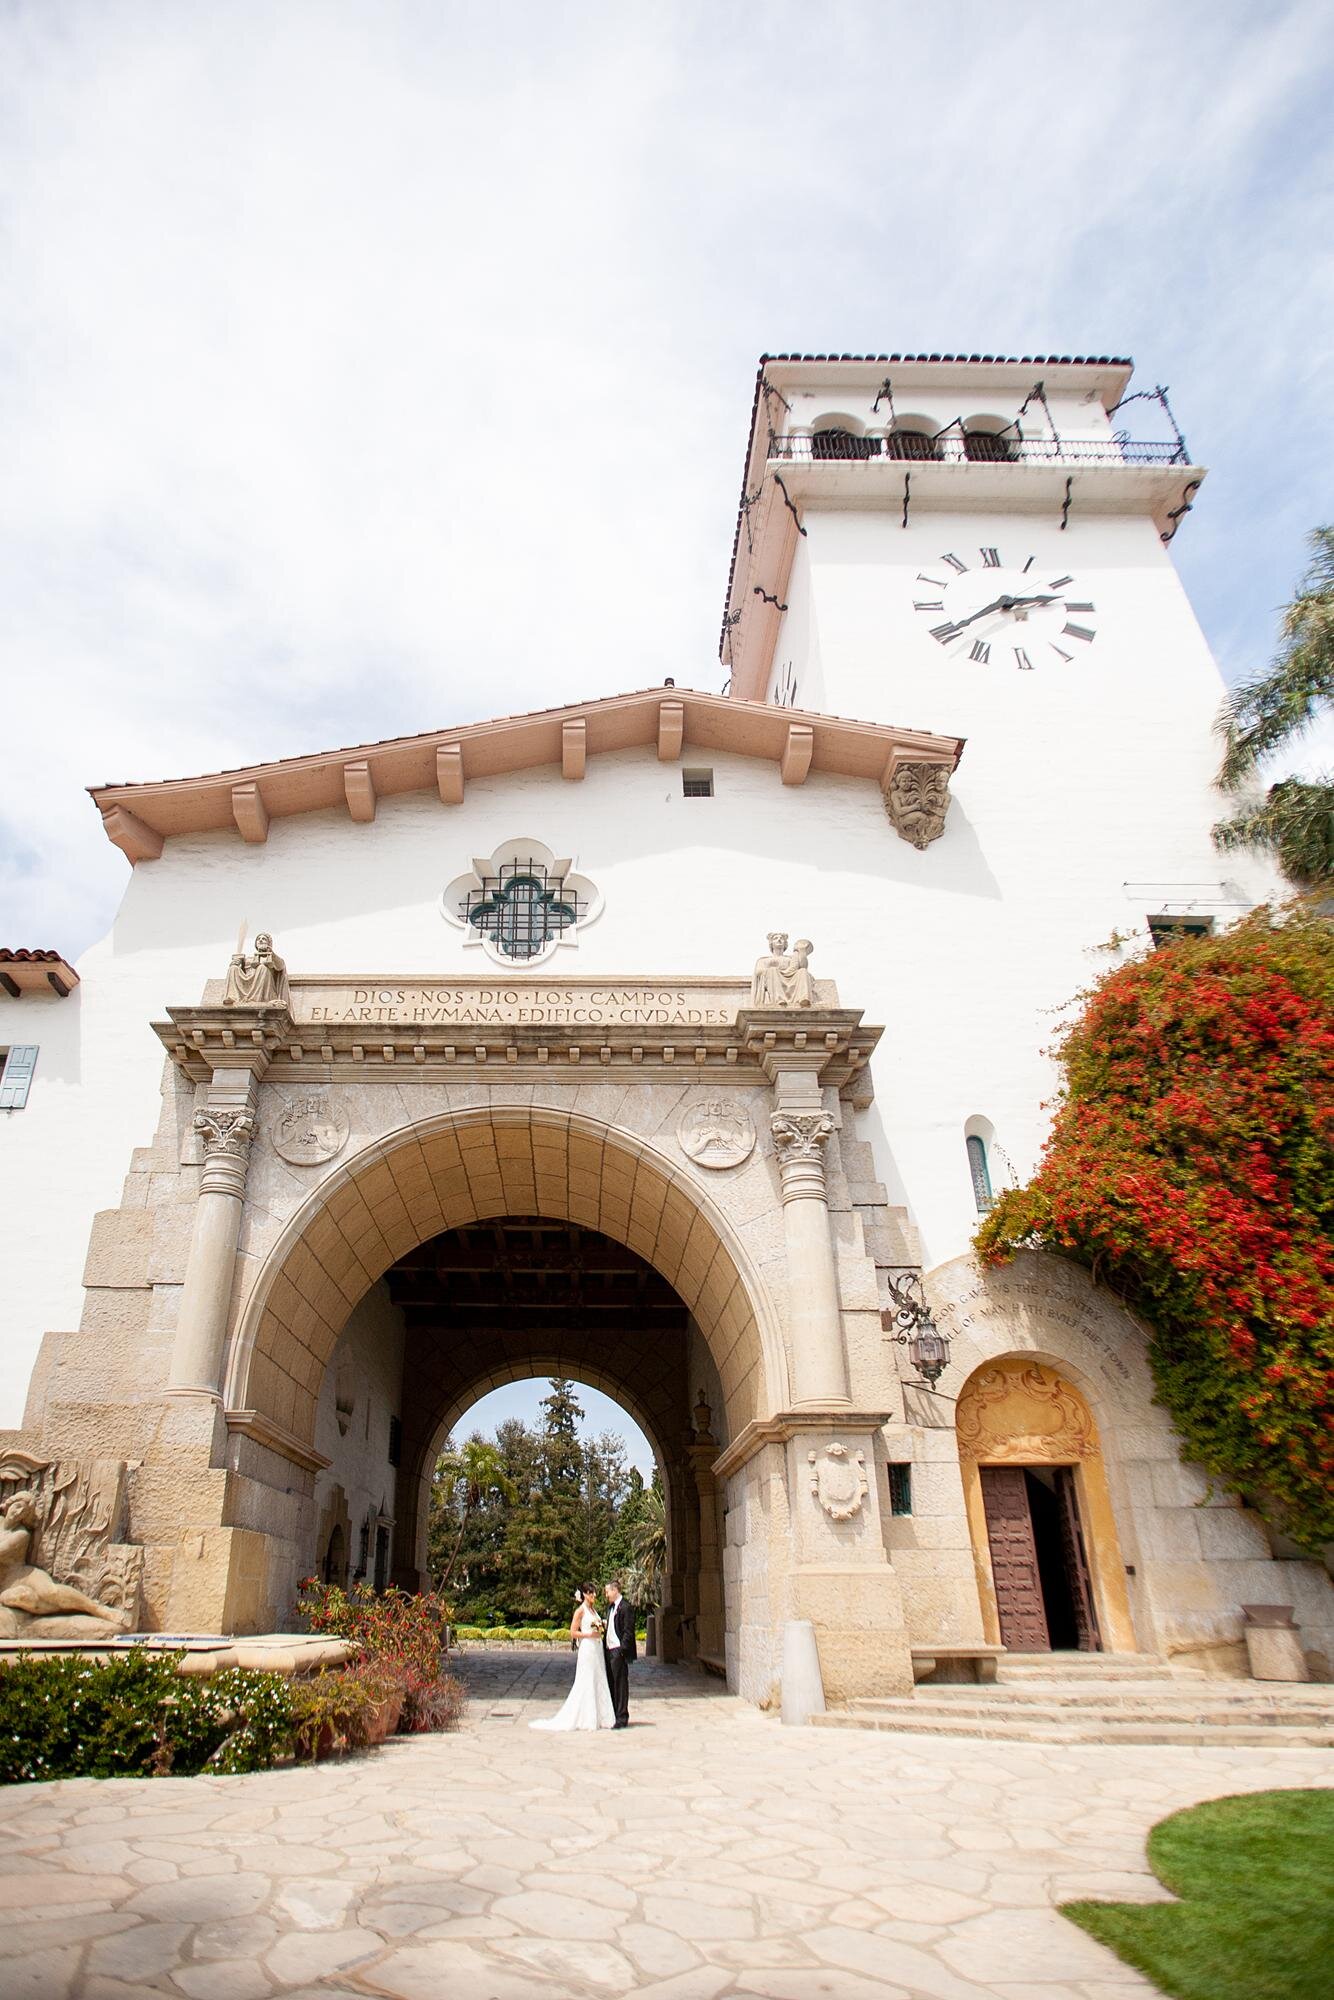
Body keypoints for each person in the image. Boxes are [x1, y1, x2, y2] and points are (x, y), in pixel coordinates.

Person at [529, 1584, 615, 1732]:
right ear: (584, 1595)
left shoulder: (593, 1610)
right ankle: (587, 1718)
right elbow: (573, 1632)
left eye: (594, 1593)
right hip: (587, 1647)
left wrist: (601, 1627)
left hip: (597, 1648)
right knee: (586, 1679)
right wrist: (589, 1635)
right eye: (590, 1593)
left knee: (598, 1678)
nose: (594, 1595)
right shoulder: (580, 1611)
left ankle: (601, 1716)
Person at [602, 1577, 636, 1728]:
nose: (606, 1594)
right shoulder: (610, 1607)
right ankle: (614, 1714)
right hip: (609, 1651)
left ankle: (622, 1717)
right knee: (611, 1683)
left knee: (620, 1685)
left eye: (607, 1591)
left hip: (618, 1652)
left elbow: (628, 1632)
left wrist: (622, 1650)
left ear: (615, 1590)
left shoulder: (625, 1607)